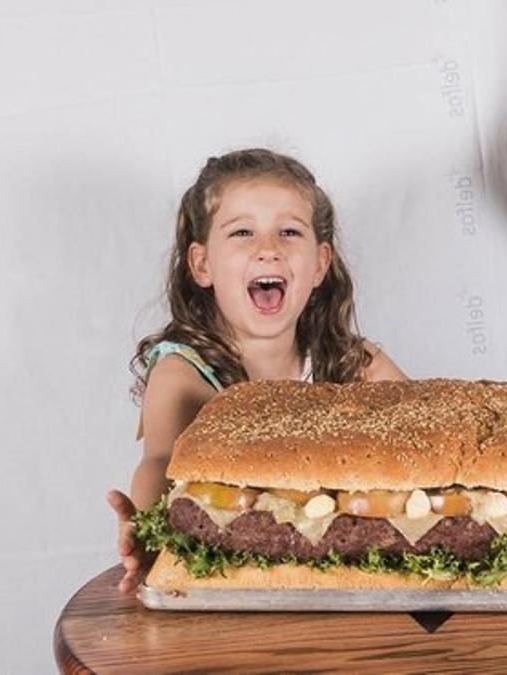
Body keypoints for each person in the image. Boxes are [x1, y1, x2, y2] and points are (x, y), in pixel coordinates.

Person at [106, 148, 406, 591]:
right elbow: (160, 461)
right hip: (231, 579)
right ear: (202, 265)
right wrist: (149, 530)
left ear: (320, 263)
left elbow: (419, 439)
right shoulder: (183, 373)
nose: (268, 249)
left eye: (289, 232)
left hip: (340, 578)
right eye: (243, 232)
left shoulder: (354, 363)